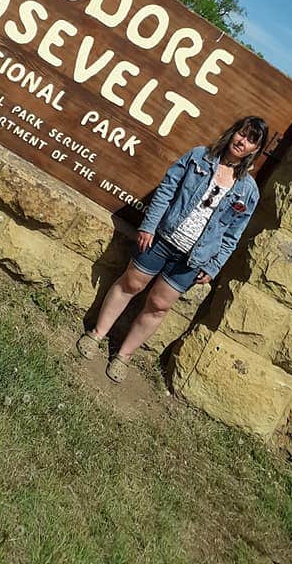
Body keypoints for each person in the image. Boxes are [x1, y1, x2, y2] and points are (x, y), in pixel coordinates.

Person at [77, 116, 269, 383]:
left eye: (251, 140)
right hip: (162, 239)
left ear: (255, 150)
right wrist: (149, 225)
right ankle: (97, 334)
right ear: (233, 132)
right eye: (242, 134)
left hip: (192, 259)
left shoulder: (248, 192)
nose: (242, 142)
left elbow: (232, 235)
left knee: (158, 305)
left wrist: (213, 266)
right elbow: (167, 189)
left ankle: (123, 356)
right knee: (131, 283)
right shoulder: (199, 157)